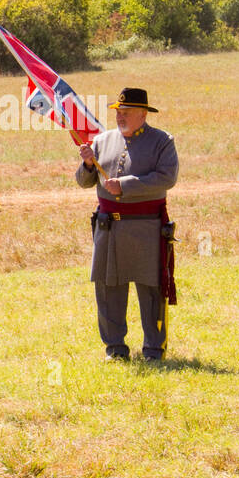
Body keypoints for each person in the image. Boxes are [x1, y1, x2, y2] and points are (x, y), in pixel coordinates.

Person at [77, 87, 179, 362]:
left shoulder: (162, 141)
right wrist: (87, 164)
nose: (120, 116)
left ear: (143, 114)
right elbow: (85, 182)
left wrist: (124, 186)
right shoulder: (101, 141)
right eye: (118, 112)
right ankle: (115, 349)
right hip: (108, 228)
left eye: (126, 112)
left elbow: (167, 178)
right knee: (108, 288)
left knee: (151, 288)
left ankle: (153, 350)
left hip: (146, 227)